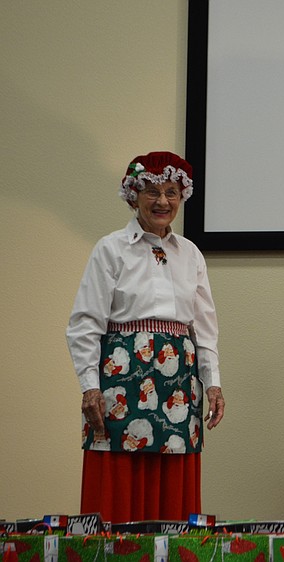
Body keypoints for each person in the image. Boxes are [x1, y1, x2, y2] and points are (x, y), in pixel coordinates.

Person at [66, 151, 225, 523]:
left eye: (172, 192)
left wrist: (213, 384)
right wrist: (90, 387)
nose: (163, 201)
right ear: (133, 195)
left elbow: (204, 328)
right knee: (117, 482)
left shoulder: (191, 254)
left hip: (179, 385)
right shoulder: (110, 248)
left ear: (182, 196)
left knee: (172, 489)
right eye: (152, 191)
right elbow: (85, 323)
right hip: (120, 377)